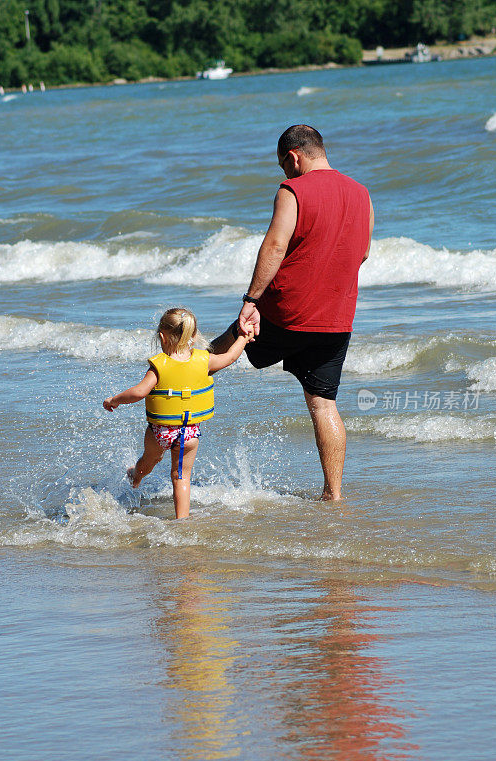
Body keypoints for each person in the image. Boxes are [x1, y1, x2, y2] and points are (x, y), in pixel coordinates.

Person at [212, 124, 374, 501]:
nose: (284, 174)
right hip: (337, 316)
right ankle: (333, 495)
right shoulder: (363, 194)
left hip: (288, 310)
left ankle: (165, 391)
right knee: (323, 403)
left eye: (283, 166)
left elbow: (275, 245)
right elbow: (362, 253)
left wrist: (251, 301)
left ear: (294, 156)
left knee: (224, 346)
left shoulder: (293, 189)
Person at [103, 307, 254, 519]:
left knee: (148, 461)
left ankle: (136, 478)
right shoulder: (204, 360)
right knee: (181, 477)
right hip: (189, 433)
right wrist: (244, 338)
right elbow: (230, 357)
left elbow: (138, 392)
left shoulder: (159, 366)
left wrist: (114, 400)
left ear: (162, 337)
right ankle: (182, 521)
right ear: (193, 336)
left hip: (160, 432)